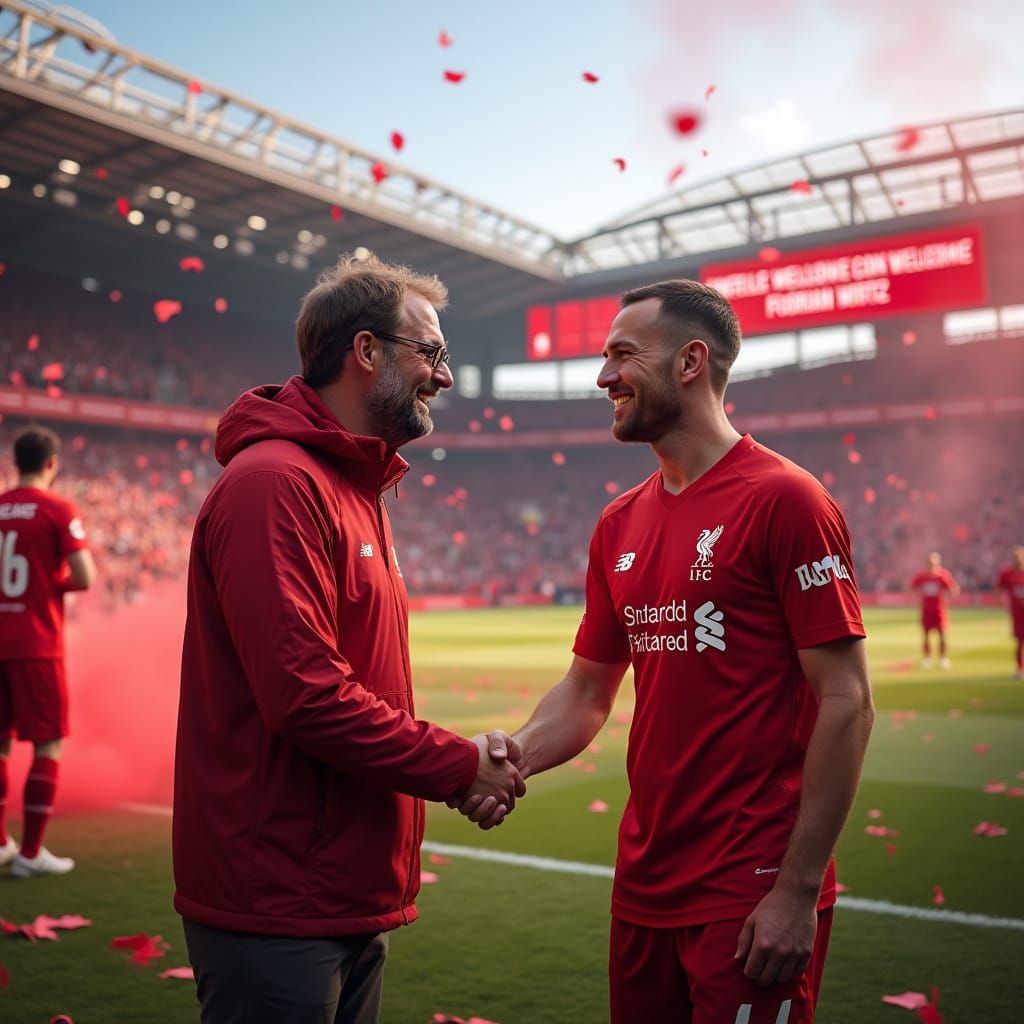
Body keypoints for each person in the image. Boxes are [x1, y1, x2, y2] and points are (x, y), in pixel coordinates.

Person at [458, 280, 874, 1024]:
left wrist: (797, 889)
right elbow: (587, 690)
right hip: (644, 882)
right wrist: (514, 755)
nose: (604, 377)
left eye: (623, 355)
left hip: (751, 886)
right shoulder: (618, 524)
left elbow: (848, 700)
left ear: (690, 362)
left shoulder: (787, 500)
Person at [173, 253, 525, 1024]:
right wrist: (459, 764)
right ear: (366, 351)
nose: (445, 376)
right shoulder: (276, 484)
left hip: (339, 887)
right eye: (430, 352)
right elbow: (304, 695)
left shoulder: (350, 487)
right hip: (278, 894)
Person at [0, 425, 96, 877]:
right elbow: (85, 576)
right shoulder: (58, 509)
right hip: (36, 644)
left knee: (0, 744)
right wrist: (48, 584)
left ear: (15, 462)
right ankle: (31, 853)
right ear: (52, 463)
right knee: (48, 743)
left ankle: (1, 842)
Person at [909, 552, 960, 669]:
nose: (931, 565)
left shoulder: (943, 576)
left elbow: (954, 589)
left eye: (933, 562)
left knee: (942, 635)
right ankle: (927, 658)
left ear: (938, 563)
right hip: (926, 610)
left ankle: (943, 658)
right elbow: (911, 588)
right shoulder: (922, 577)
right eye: (929, 562)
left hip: (939, 610)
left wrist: (950, 594)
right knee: (926, 636)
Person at [997, 546, 1024, 680]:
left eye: (1019, 557)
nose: (1017, 560)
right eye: (1015, 558)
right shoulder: (1007, 574)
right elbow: (999, 589)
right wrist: (1004, 603)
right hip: (1018, 613)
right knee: (1020, 641)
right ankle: (1020, 668)